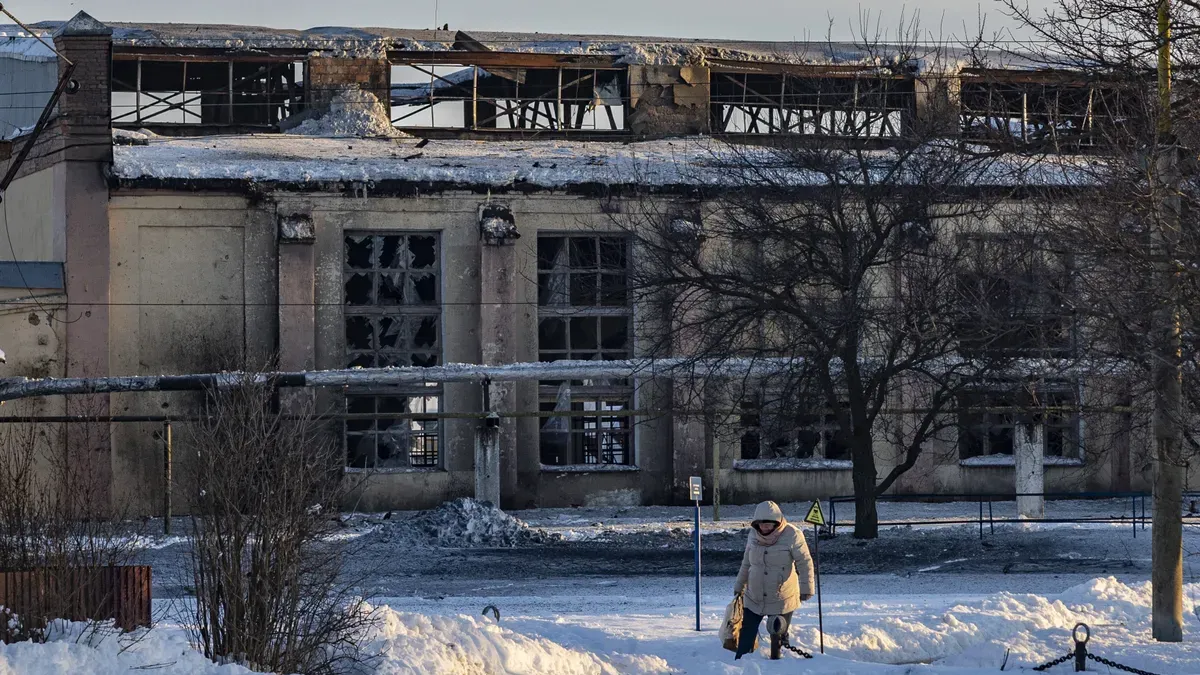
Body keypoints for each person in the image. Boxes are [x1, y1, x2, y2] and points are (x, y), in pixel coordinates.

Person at [732, 500, 815, 659]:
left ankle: (779, 661)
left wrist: (807, 589)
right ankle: (741, 661)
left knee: (778, 632)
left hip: (782, 597)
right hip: (754, 595)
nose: (765, 527)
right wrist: (739, 585)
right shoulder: (753, 535)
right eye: (761, 524)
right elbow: (746, 563)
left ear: (777, 523)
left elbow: (805, 562)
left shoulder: (792, 534)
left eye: (769, 524)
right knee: (747, 631)